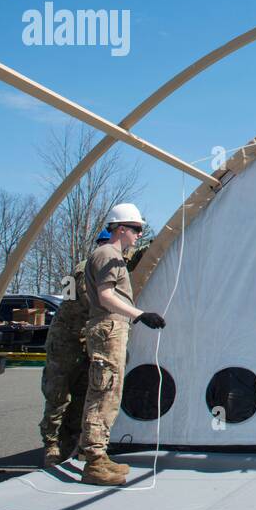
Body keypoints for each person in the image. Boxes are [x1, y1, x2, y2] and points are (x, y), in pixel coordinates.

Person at [77, 204, 166, 486]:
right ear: (122, 228)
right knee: (104, 392)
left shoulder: (114, 256)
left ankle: (98, 456)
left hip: (112, 327)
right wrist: (140, 315)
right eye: (137, 229)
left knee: (110, 390)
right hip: (108, 327)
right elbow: (105, 296)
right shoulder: (107, 255)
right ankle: (93, 460)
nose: (139, 234)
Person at [38, 229, 110, 467]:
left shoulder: (97, 267)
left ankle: (68, 446)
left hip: (83, 340)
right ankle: (52, 446)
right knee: (59, 395)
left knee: (80, 396)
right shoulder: (85, 268)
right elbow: (93, 304)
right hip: (66, 341)